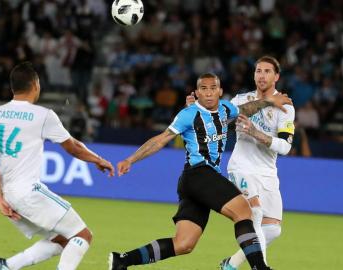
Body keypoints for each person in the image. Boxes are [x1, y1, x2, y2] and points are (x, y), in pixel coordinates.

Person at [108, 73, 292, 270]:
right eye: (203, 89)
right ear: (197, 93)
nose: (209, 93)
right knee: (244, 211)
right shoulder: (189, 114)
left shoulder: (226, 109)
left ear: (220, 91)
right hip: (199, 173)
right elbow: (161, 139)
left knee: (184, 244)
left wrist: (270, 100)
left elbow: (246, 109)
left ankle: (122, 260)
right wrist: (131, 159)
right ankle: (259, 268)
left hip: (193, 183)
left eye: (213, 88)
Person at [0, 62, 115, 270]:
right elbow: (73, 147)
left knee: (63, 238)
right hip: (29, 193)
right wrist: (97, 159)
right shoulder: (43, 115)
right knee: (82, 235)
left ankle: (7, 266)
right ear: (36, 85)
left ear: (12, 88)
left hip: (9, 195)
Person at [220, 56, 295, 269]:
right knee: (255, 213)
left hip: (267, 172)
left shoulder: (286, 107)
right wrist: (266, 103)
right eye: (258, 71)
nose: (261, 75)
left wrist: (255, 132)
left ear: (276, 76)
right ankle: (260, 267)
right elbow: (224, 118)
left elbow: (285, 147)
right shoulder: (241, 100)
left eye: (267, 71)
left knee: (273, 229)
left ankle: (231, 264)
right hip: (240, 167)